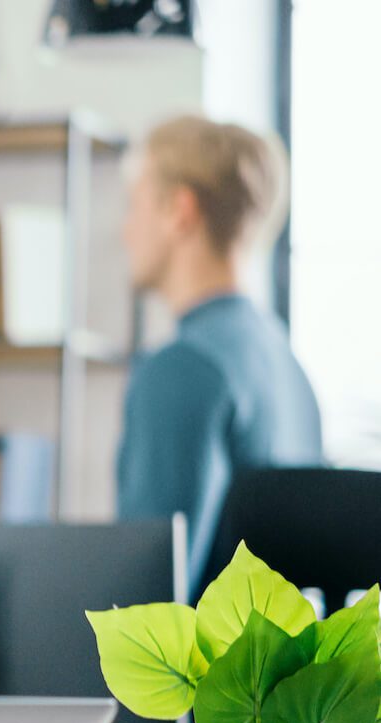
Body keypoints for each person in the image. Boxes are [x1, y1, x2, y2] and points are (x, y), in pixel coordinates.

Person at [115, 114, 322, 589]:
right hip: (287, 663)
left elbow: (147, 600)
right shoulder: (288, 366)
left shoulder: (182, 370)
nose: (126, 230)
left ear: (179, 211)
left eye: (135, 206)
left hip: (207, 665)